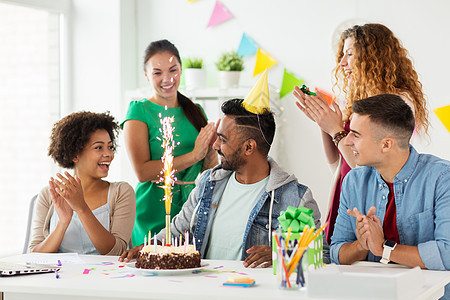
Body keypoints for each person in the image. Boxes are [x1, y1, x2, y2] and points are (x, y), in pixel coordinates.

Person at [120, 98, 328, 267]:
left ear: (249, 147)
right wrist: (152, 246)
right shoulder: (208, 183)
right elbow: (177, 230)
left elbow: (322, 257)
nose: (215, 145)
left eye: (223, 139)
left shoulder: (295, 197)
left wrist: (281, 254)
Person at [293, 23, 430, 244]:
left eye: (350, 54)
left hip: (374, 199)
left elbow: (369, 169)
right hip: (348, 191)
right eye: (342, 54)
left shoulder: (399, 101)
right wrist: (323, 124)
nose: (342, 62)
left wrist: (335, 130)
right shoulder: (357, 102)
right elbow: (338, 164)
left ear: (372, 58)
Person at [330, 94, 450, 298]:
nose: (347, 141)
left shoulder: (441, 178)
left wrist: (385, 248)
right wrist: (361, 244)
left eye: (356, 134)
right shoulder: (353, 182)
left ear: (386, 144)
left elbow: (447, 253)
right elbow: (336, 253)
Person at [121, 39, 217, 246]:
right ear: (147, 75)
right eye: (157, 73)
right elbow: (143, 172)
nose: (167, 78)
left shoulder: (196, 111)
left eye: (173, 70)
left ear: (181, 70)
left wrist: (213, 150)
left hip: (192, 207)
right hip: (153, 208)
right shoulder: (139, 111)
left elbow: (208, 167)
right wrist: (194, 155)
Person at [29, 111, 136, 255]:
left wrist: (81, 208)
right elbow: (35, 255)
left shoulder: (121, 192)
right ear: (75, 154)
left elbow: (116, 253)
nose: (109, 154)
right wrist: (62, 223)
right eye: (99, 147)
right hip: (60, 276)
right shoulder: (48, 195)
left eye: (110, 147)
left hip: (106, 276)